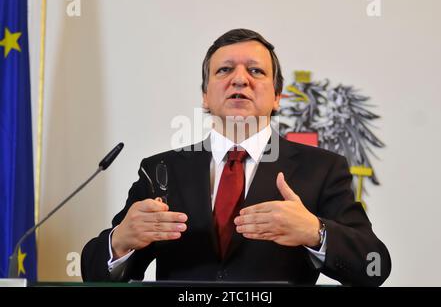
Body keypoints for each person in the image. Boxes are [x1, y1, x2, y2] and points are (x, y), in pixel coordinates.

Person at [81, 29, 391, 286]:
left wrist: (315, 232)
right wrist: (120, 240)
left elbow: (374, 265)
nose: (240, 80)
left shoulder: (322, 169)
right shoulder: (160, 170)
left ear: (277, 97)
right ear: (205, 95)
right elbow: (93, 271)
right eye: (224, 70)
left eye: (256, 71)